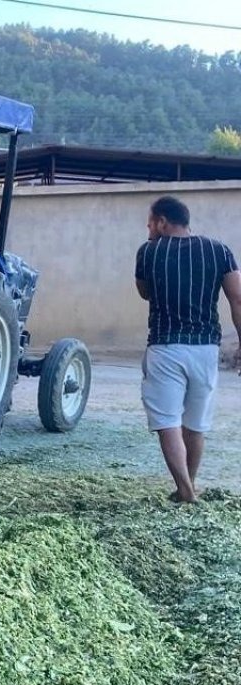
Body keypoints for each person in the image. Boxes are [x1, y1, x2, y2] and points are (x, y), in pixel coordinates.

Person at [135, 195, 241, 503]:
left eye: (150, 223)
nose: (148, 229)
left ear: (163, 222)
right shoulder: (219, 250)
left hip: (165, 346)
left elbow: (144, 292)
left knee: (168, 421)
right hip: (205, 347)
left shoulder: (148, 252)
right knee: (195, 425)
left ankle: (185, 490)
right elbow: (237, 299)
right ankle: (189, 486)